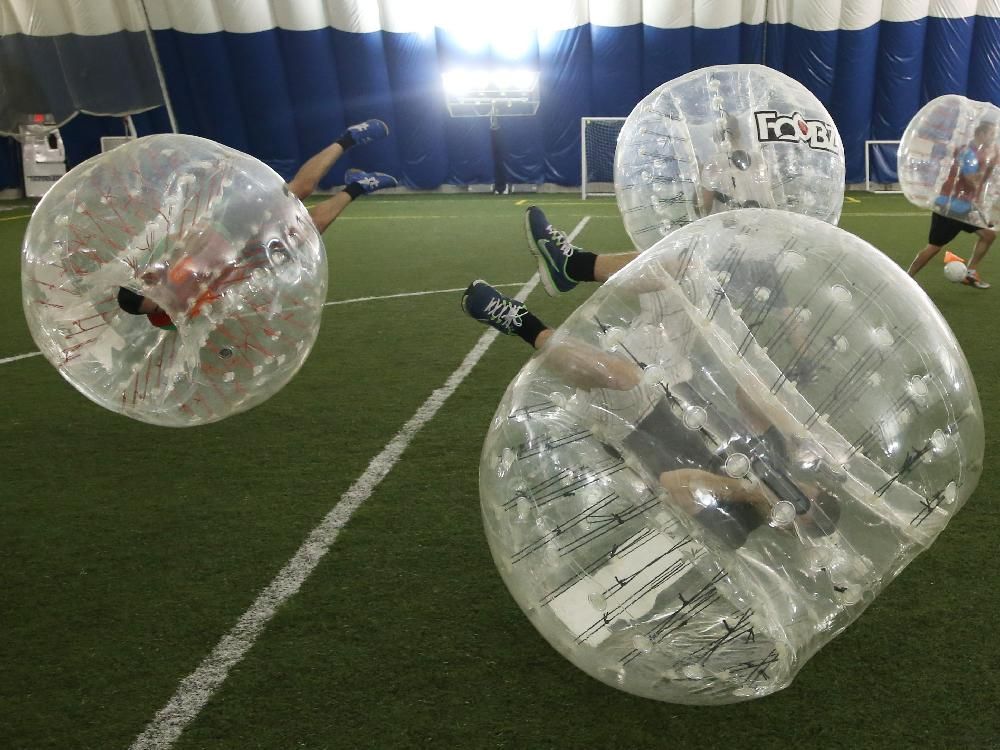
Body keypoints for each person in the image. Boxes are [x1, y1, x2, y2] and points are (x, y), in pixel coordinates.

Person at [463, 207, 841, 549]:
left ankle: (521, 323)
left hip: (635, 422)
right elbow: (745, 394)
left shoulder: (736, 528)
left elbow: (674, 485)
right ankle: (572, 265)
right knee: (687, 270)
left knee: (624, 375)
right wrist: (792, 433)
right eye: (803, 498)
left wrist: (748, 492)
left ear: (784, 526)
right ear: (813, 487)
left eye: (793, 514)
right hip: (674, 377)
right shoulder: (776, 456)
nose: (788, 500)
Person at [117, 118, 398, 328]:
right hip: (244, 260)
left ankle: (348, 138)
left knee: (298, 190)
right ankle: (359, 187)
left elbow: (190, 240)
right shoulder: (164, 314)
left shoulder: (161, 262)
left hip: (228, 225)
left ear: (145, 280)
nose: (162, 301)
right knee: (307, 231)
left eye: (154, 295)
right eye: (155, 306)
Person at [908, 120, 999, 289]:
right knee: (934, 247)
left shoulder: (976, 152)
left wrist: (990, 165)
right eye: (991, 134)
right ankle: (906, 278)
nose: (993, 138)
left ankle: (970, 273)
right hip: (950, 208)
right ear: (981, 134)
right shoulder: (968, 153)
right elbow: (972, 181)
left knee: (988, 235)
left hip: (964, 207)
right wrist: (989, 166)